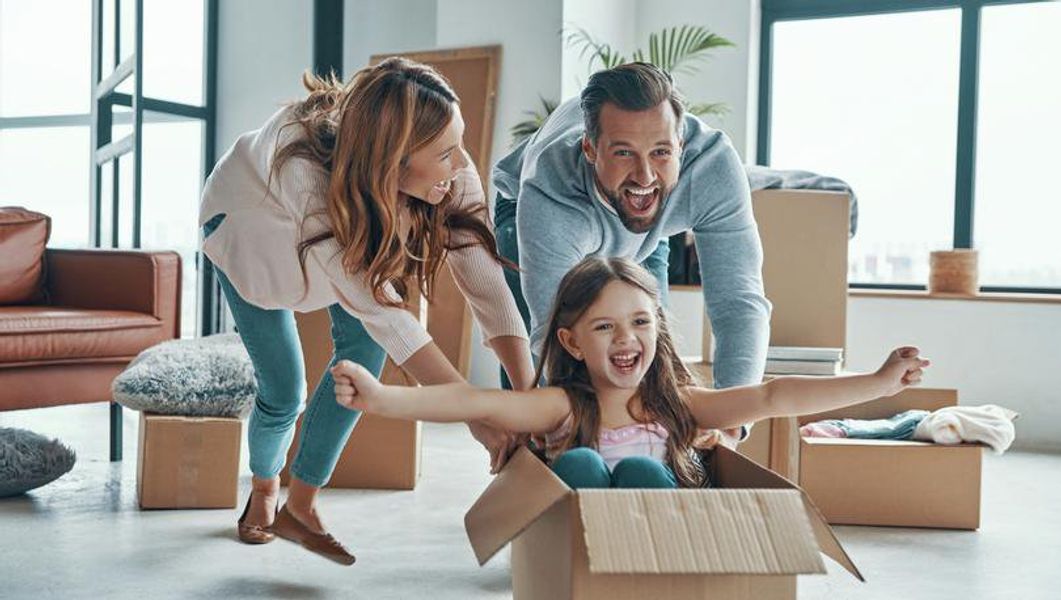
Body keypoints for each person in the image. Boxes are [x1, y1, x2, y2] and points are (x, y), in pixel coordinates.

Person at [198, 58, 534, 564]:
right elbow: (389, 316)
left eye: (458, 143)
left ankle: (302, 506)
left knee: (363, 361)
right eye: (446, 154)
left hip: (339, 245)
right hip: (250, 241)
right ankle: (266, 485)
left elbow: (486, 284)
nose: (463, 164)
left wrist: (526, 399)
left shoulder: (448, 174)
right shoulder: (304, 173)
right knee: (284, 391)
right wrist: (478, 415)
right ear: (393, 162)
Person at [332, 257, 930, 489]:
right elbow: (476, 404)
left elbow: (775, 395)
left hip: (658, 551)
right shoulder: (563, 404)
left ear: (657, 328)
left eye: (641, 323)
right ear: (570, 340)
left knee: (644, 466)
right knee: (581, 463)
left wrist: (877, 384)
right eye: (605, 327)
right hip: (579, 553)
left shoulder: (681, 406)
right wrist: (384, 399)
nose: (627, 340)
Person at [492, 62, 772, 448]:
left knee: (650, 345)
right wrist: (575, 430)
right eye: (624, 152)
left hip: (645, 227)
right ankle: (524, 458)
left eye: (661, 152)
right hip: (527, 208)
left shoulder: (712, 169)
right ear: (590, 149)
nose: (644, 175)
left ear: (681, 146)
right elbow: (554, 331)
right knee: (536, 379)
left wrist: (730, 425)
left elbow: (739, 302)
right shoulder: (550, 189)